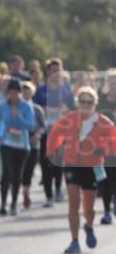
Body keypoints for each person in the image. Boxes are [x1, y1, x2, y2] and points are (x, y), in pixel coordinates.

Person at [47, 86, 116, 254]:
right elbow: (55, 133)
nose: (85, 104)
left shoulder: (103, 122)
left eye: (89, 102)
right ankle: (75, 241)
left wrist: (105, 150)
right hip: (72, 163)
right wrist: (51, 151)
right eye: (82, 101)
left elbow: (113, 140)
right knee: (73, 202)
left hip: (92, 166)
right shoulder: (69, 119)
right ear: (77, 102)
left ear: (95, 104)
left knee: (89, 208)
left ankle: (89, 226)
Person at [34, 58, 75, 207]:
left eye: (58, 70)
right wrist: (44, 111)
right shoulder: (41, 90)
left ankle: (58, 188)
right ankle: (48, 195)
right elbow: (34, 109)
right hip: (46, 132)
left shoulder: (65, 89)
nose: (55, 73)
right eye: (52, 70)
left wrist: (65, 110)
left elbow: (73, 109)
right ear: (48, 71)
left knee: (59, 162)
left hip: (62, 133)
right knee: (45, 163)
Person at [0, 79, 37, 216]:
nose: (13, 95)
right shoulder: (3, 106)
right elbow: (2, 121)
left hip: (22, 145)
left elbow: (30, 126)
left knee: (16, 175)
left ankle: (14, 203)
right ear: (7, 93)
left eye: (15, 92)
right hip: (6, 143)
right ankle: (3, 204)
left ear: (19, 93)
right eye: (10, 92)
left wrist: (18, 116)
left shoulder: (27, 106)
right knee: (6, 174)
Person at [20, 81, 46, 209]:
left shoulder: (37, 109)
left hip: (34, 143)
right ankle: (19, 193)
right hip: (19, 142)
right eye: (23, 91)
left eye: (28, 91)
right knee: (20, 170)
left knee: (29, 169)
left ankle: (26, 192)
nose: (26, 94)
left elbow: (43, 126)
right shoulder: (16, 108)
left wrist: (38, 135)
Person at [99, 70, 116, 225]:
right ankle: (106, 212)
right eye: (111, 82)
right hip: (106, 146)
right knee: (107, 179)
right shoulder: (101, 101)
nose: (113, 85)